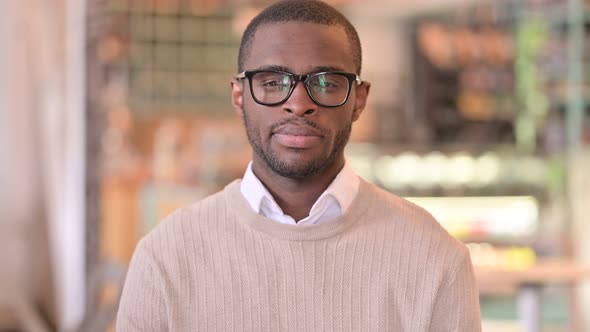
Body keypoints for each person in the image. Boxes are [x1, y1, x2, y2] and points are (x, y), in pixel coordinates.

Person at [116, 1, 482, 331]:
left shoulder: (433, 259)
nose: (299, 103)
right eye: (273, 82)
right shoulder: (165, 258)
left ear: (359, 99)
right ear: (239, 96)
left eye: (326, 82)